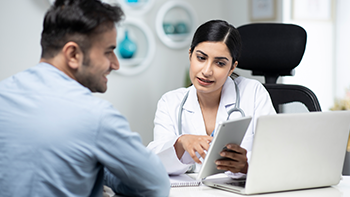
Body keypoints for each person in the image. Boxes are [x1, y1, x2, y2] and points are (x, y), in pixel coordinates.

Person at [0, 0, 169, 196]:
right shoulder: (96, 116)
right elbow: (156, 186)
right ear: (73, 54)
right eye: (108, 51)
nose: (115, 64)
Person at [147, 20, 276, 175]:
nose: (207, 71)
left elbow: (275, 154)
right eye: (201, 58)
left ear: (232, 68)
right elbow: (154, 163)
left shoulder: (253, 93)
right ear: (190, 55)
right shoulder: (170, 102)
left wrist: (247, 166)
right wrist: (181, 143)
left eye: (220, 63)